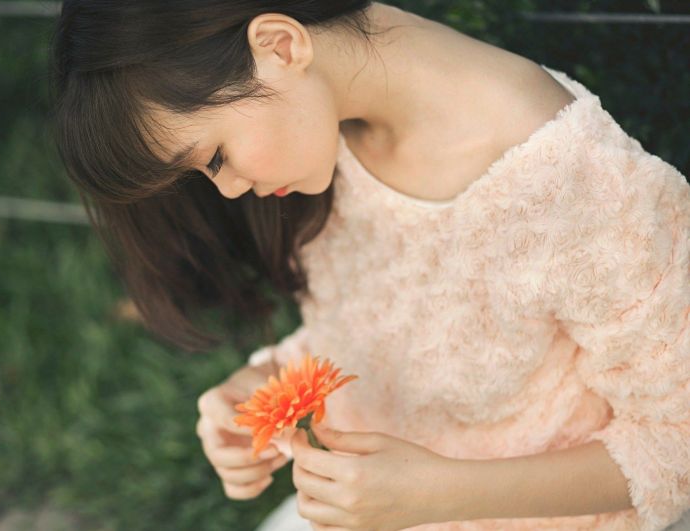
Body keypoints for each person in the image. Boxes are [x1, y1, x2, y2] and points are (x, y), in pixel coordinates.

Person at [48, 2, 690, 530]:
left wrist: (445, 496)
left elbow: (678, 442)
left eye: (215, 156)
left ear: (279, 45)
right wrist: (267, 388)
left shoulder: (577, 181)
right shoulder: (329, 139)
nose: (229, 190)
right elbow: (379, 331)